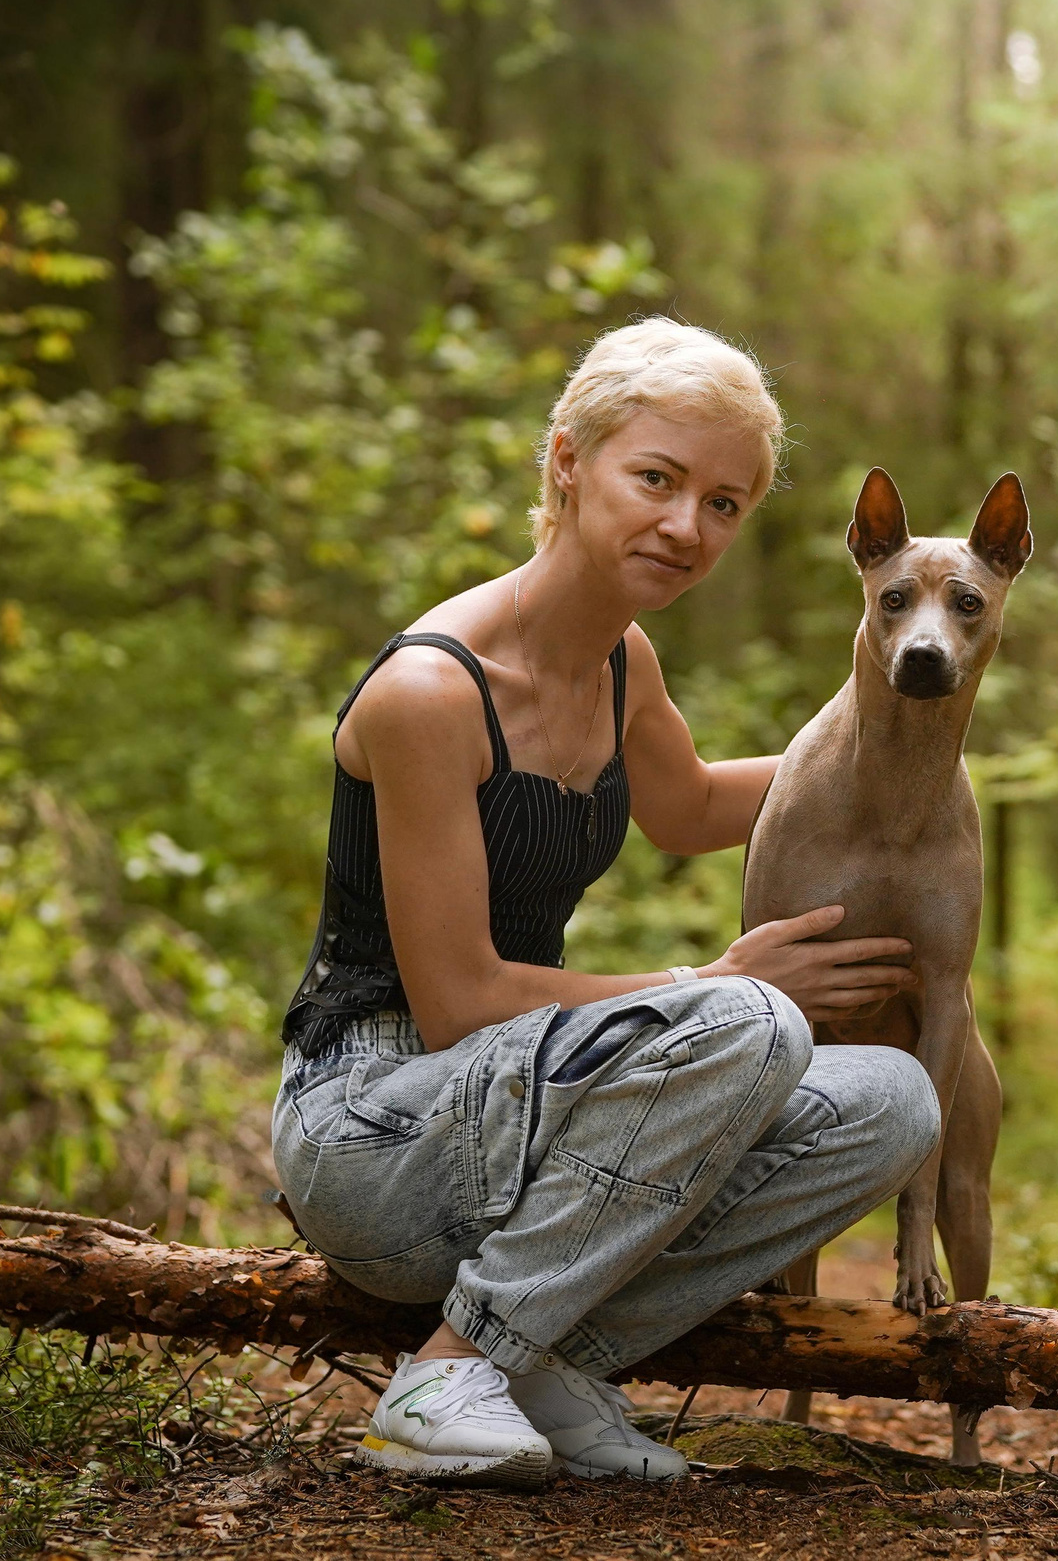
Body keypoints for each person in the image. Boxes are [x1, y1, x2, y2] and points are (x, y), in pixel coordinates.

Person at [273, 319, 940, 1487]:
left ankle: (546, 1358)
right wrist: (718, 990)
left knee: (891, 1100)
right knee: (754, 1024)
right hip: (375, 1134)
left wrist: (897, 742)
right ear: (568, 460)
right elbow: (459, 1003)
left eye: (725, 504)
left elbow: (683, 810)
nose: (688, 528)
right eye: (658, 480)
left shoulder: (621, 661)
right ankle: (445, 1371)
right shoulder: (432, 692)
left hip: (524, 1117)